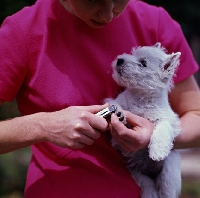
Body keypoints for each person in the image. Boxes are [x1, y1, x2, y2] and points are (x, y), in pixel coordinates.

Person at [0, 0, 200, 197]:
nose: (108, 14)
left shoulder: (155, 22)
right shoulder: (23, 30)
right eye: (93, 0)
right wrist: (42, 126)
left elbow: (196, 115)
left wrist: (157, 136)